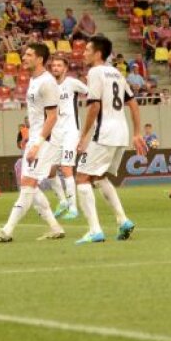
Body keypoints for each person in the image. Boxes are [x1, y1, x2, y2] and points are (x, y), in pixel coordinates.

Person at [0, 43, 68, 243]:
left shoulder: (47, 82)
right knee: (28, 184)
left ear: (40, 59)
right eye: (25, 54)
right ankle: (55, 227)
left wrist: (38, 143)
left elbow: (52, 117)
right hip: (37, 138)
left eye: (29, 55)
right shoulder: (34, 80)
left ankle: (7, 231)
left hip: (44, 140)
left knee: (28, 185)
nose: (24, 57)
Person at [69, 36, 147, 242]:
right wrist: (137, 132)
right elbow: (134, 104)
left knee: (82, 178)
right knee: (99, 177)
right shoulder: (117, 73)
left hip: (103, 133)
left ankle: (94, 230)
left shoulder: (94, 72)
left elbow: (94, 106)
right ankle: (123, 221)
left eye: (86, 50)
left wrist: (83, 135)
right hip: (121, 133)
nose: (83, 53)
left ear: (97, 53)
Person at [47, 54, 88, 223]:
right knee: (49, 170)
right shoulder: (48, 85)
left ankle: (73, 207)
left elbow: (90, 92)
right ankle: (63, 202)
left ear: (65, 68)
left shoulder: (72, 83)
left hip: (70, 131)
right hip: (55, 132)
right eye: (54, 65)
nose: (55, 68)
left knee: (66, 168)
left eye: (59, 65)